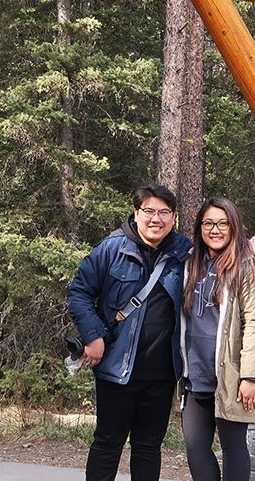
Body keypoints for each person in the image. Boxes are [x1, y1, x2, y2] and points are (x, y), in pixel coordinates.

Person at [66, 184, 193, 481]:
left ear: (173, 217)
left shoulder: (184, 253)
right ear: (136, 213)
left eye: (164, 212)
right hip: (117, 369)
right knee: (108, 444)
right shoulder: (112, 248)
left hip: (162, 373)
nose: (156, 219)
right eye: (149, 211)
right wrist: (93, 337)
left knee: (148, 447)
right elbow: (79, 293)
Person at [179, 196, 255, 481]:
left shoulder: (247, 267)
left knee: (232, 447)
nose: (215, 229)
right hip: (194, 374)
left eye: (222, 223)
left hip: (231, 374)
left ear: (234, 226)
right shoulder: (191, 264)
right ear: (199, 227)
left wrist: (251, 376)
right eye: (208, 223)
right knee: (195, 448)